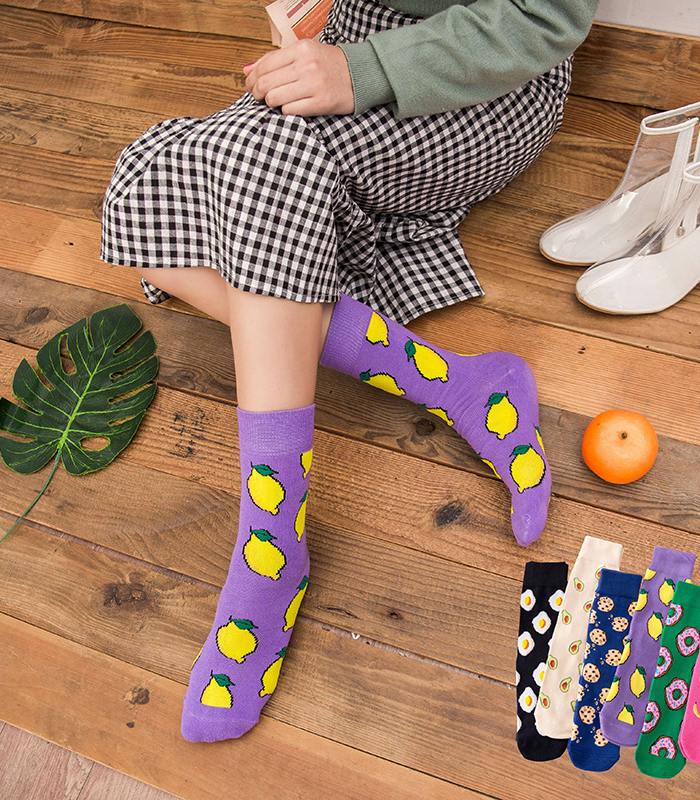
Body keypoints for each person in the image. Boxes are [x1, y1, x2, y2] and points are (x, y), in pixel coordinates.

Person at [100, 0, 599, 743]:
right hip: (344, 29)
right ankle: (455, 383)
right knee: (143, 186)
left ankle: (271, 545)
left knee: (261, 165)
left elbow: (542, 17)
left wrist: (362, 70)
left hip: (480, 70)